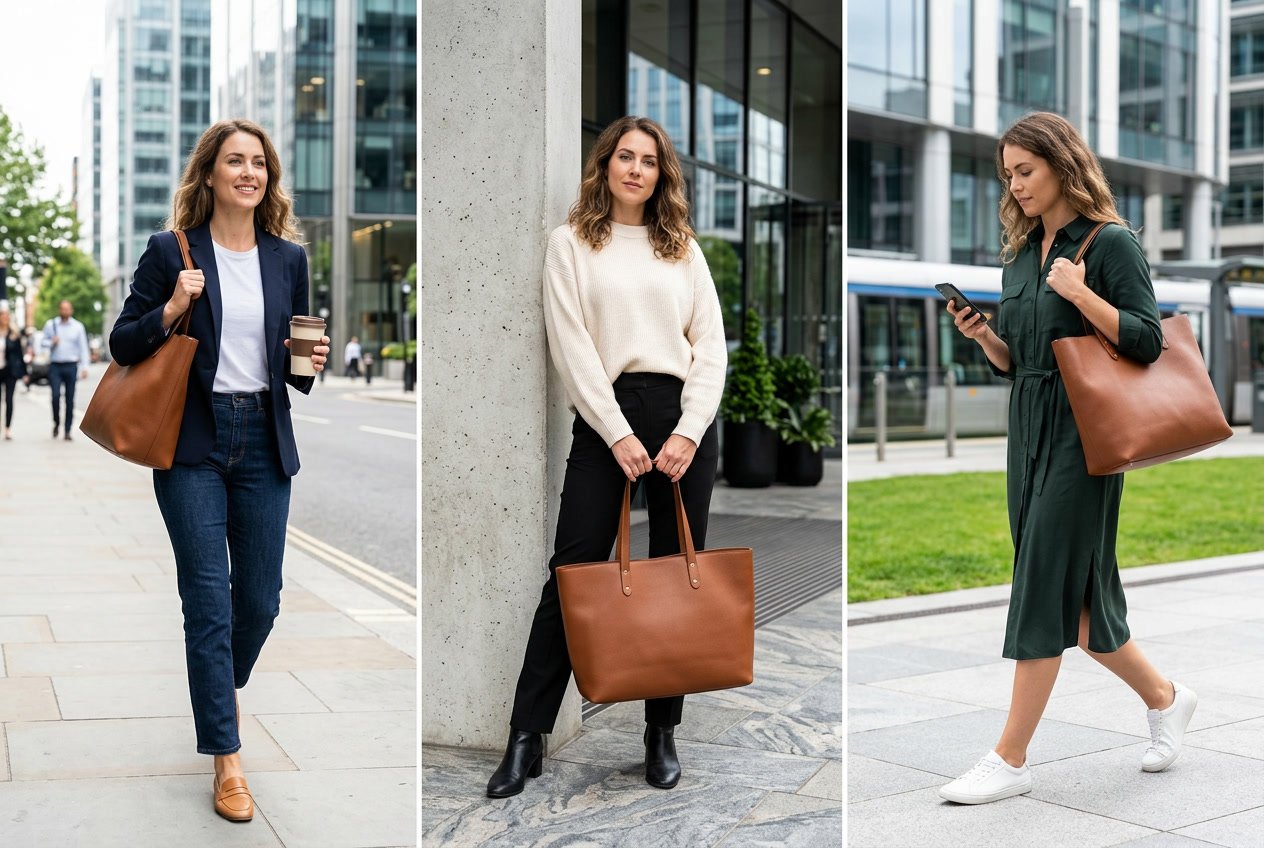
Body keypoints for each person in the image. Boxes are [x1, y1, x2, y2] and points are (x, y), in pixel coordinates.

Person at [939, 112, 1197, 805]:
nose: (1015, 186)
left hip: (1085, 433)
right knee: (1077, 602)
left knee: (1041, 582)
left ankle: (1010, 757)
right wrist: (983, 337)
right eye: (1007, 175)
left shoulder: (1109, 243)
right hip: (1028, 426)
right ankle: (1166, 698)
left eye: (1025, 171)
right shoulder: (1020, 253)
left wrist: (1081, 293)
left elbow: (1147, 340)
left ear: (1061, 163)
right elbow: (1019, 360)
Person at [486, 115, 727, 798]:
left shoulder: (682, 248)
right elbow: (571, 347)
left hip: (683, 419)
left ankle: (661, 733)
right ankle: (526, 736)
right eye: (625, 156)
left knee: (676, 579)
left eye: (649, 160)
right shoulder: (569, 244)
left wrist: (688, 431)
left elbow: (710, 347)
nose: (636, 169)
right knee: (572, 575)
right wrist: (618, 433)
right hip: (606, 418)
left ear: (661, 174)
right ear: (605, 164)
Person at [109, 119, 330, 823]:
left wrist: (310, 363)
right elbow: (122, 342)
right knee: (208, 602)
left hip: (263, 438)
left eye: (258, 163)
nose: (248, 173)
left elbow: (295, 369)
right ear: (209, 173)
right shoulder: (169, 251)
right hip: (192, 444)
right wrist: (174, 306)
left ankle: (216, 691)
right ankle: (227, 759)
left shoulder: (288, 259)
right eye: (234, 161)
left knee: (259, 601)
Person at [43, 300, 90, 440]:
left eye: (67, 309)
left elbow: (83, 348)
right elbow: (42, 343)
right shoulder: (51, 325)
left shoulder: (78, 327)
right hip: (55, 366)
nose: (65, 311)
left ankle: (68, 430)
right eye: (63, 309)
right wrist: (51, 342)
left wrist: (85, 367)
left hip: (71, 365)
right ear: (59, 310)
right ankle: (56, 422)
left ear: (71, 310)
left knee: (70, 399)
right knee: (55, 396)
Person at [0, 305, 27, 439]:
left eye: (7, 317)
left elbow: (19, 355)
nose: (5, 319)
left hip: (10, 371)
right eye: (3, 316)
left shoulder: (14, 335)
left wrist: (24, 373)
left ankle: (7, 428)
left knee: (9, 399)